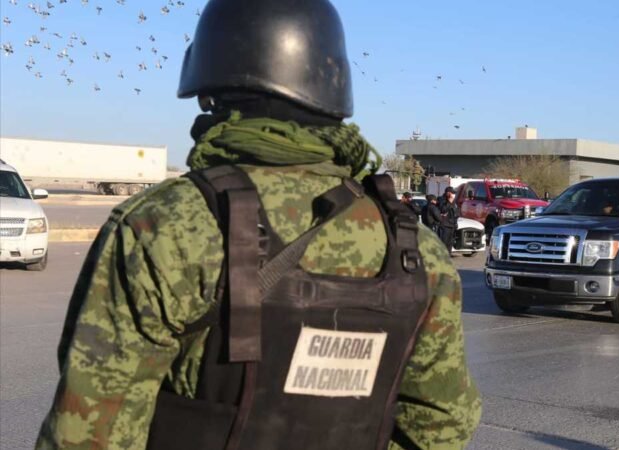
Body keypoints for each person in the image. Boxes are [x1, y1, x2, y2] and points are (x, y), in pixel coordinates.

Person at [35, 1, 481, 449]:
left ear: (212, 92)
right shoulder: (416, 248)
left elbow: (88, 432)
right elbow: (442, 425)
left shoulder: (165, 227)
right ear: (334, 94)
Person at [438, 187, 459, 254]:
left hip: (452, 225)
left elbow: (456, 212)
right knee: (444, 244)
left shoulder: (454, 201)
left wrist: (455, 223)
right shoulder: (442, 199)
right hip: (445, 225)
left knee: (450, 244)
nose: (453, 195)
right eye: (452, 193)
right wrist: (449, 202)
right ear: (448, 193)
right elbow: (443, 210)